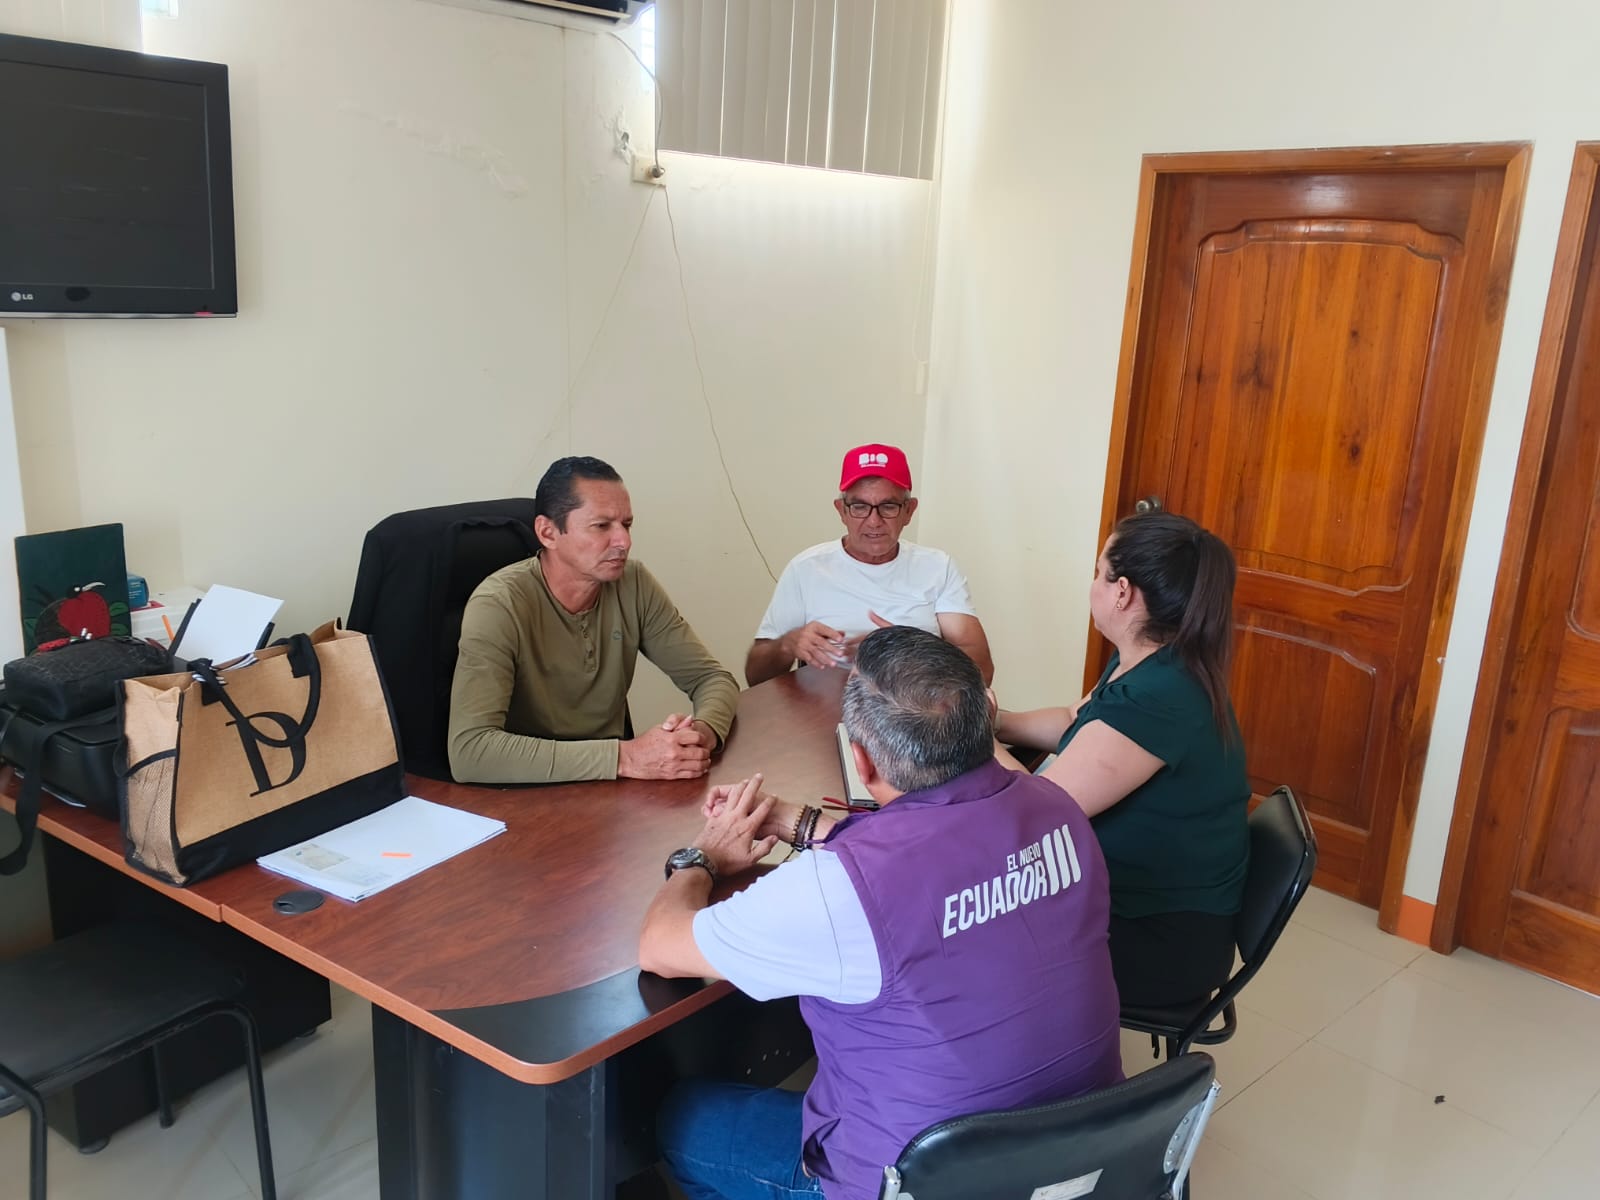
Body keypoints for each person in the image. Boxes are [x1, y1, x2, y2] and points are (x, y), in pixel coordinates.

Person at [640, 626, 1122, 1200]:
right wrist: (798, 822)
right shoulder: (1058, 809)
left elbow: (660, 945)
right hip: (1085, 1158)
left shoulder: (839, 890)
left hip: (925, 1184)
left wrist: (701, 858)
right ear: (984, 718)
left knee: (685, 1118)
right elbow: (945, 854)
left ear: (861, 761)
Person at [995, 511, 1249, 1010]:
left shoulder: (1157, 696)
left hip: (1159, 943)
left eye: (1098, 572)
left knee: (961, 923)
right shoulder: (1152, 656)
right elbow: (1078, 723)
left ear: (1123, 592)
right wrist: (994, 721)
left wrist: (963, 733)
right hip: (1135, 902)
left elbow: (1033, 813)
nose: (1092, 584)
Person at [447, 456, 739, 784]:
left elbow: (712, 679)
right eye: (602, 526)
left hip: (610, 789)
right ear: (547, 532)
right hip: (525, 793)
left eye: (626, 525)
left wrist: (700, 735)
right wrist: (626, 757)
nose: (624, 541)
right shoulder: (499, 604)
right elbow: (470, 751)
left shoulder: (633, 583)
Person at [744, 444, 994, 687]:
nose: (874, 521)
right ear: (841, 511)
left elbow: (982, 671)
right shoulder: (806, 569)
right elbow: (756, 677)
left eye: (888, 506)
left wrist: (914, 650)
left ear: (909, 511)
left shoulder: (938, 567)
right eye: (860, 507)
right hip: (823, 706)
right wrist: (788, 644)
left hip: (914, 705)